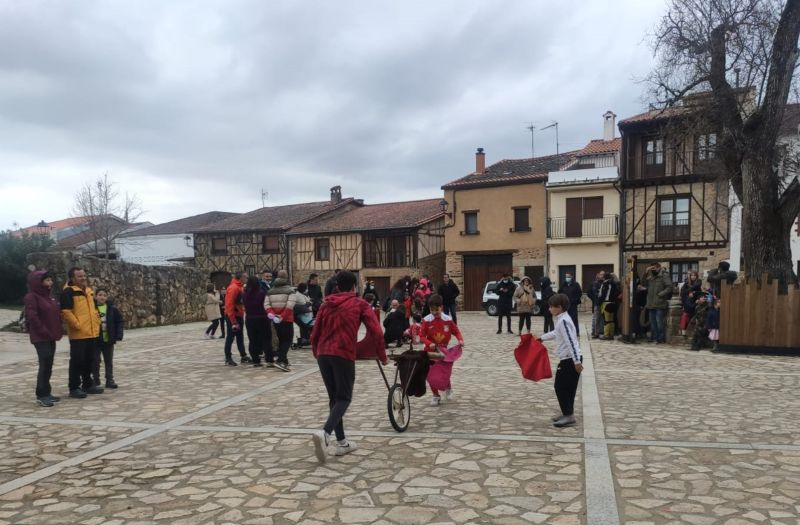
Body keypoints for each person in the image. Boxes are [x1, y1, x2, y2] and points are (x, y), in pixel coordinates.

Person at [310, 271, 387, 463]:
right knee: (344, 398)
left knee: (334, 399)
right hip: (342, 353)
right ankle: (325, 433)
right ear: (354, 286)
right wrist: (382, 355)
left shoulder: (326, 304)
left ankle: (342, 443)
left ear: (337, 286)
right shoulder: (359, 304)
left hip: (323, 354)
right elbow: (376, 332)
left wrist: (317, 352)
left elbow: (315, 332)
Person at [535, 293, 583, 428]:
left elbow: (571, 341)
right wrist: (542, 338)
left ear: (560, 307)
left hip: (570, 359)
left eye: (551, 306)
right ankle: (568, 413)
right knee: (569, 388)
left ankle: (568, 415)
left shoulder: (564, 321)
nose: (549, 309)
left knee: (560, 387)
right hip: (570, 358)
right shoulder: (562, 319)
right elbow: (556, 333)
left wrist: (576, 361)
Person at [60, 267, 103, 398]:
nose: (83, 278)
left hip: (92, 332)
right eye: (80, 276)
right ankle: (74, 387)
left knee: (90, 360)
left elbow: (94, 309)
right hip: (78, 334)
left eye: (84, 275)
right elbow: (66, 312)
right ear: (72, 278)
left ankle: (88, 384)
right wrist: (77, 325)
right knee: (77, 361)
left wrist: (97, 321)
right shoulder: (68, 292)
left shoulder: (89, 291)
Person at [24, 270, 63, 407]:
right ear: (38, 282)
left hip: (51, 336)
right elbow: (33, 317)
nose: (50, 283)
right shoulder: (31, 297)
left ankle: (47, 392)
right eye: (47, 280)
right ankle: (41, 394)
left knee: (49, 364)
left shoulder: (49, 296)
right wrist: (43, 331)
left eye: (50, 280)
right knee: (45, 363)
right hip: (41, 337)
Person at [420, 294, 465, 406]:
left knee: (444, 372)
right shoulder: (426, 320)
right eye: (432, 310)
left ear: (442, 307)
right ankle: (435, 395)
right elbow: (421, 336)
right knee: (430, 374)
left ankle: (448, 387)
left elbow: (456, 332)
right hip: (430, 352)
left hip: (443, 351)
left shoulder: (448, 320)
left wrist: (460, 340)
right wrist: (429, 343)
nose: (434, 312)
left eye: (437, 310)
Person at [264, 270, 296, 371]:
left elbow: (266, 305)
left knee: (281, 339)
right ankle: (281, 360)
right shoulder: (290, 290)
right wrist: (282, 316)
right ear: (286, 277)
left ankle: (284, 360)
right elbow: (290, 305)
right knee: (287, 340)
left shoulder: (270, 291)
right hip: (286, 319)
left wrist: (273, 315)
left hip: (275, 319)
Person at [92, 288, 123, 389]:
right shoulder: (92, 308)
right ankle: (95, 379)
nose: (102, 297)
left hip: (108, 339)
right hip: (96, 339)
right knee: (95, 360)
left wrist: (118, 334)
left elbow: (119, 321)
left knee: (108, 361)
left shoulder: (112, 308)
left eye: (104, 295)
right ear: (95, 296)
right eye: (100, 295)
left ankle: (109, 379)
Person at [243, 275, 271, 367]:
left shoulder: (245, 294)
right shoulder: (261, 293)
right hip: (262, 317)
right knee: (266, 339)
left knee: (253, 339)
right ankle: (269, 358)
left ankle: (255, 359)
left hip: (250, 318)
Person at [224, 272, 250, 366]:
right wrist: (233, 320)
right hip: (233, 316)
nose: (247, 279)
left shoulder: (240, 287)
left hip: (239, 314)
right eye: (246, 277)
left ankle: (243, 355)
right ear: (241, 277)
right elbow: (229, 304)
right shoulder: (234, 288)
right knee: (230, 337)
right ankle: (228, 357)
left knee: (240, 336)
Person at [644, 263, 673, 344]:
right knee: (652, 323)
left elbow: (669, 287)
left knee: (659, 322)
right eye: (652, 268)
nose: (653, 269)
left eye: (655, 268)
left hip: (660, 303)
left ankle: (661, 338)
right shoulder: (651, 276)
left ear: (659, 267)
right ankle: (655, 337)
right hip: (651, 303)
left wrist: (661, 294)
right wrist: (645, 273)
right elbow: (644, 283)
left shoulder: (664, 275)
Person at [679, 271, 702, 336]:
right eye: (692, 275)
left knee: (688, 314)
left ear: (696, 276)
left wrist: (694, 294)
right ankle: (683, 329)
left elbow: (699, 293)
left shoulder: (698, 284)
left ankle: (685, 329)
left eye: (694, 275)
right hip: (687, 302)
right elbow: (682, 293)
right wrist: (689, 293)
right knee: (685, 314)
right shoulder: (686, 283)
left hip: (694, 302)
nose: (693, 277)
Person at [598, 273, 618, 340]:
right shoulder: (614, 284)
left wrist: (599, 302)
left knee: (606, 320)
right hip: (613, 303)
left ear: (604, 277)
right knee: (611, 320)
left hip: (606, 303)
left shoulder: (605, 284)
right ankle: (611, 334)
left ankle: (606, 335)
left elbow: (602, 295)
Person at [590, 271, 606, 339]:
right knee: (596, 318)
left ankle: (600, 331)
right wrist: (595, 299)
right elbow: (594, 293)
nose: (602, 276)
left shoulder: (604, 283)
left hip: (603, 303)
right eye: (601, 274)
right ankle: (596, 332)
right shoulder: (596, 283)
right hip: (597, 303)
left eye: (603, 275)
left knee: (601, 318)